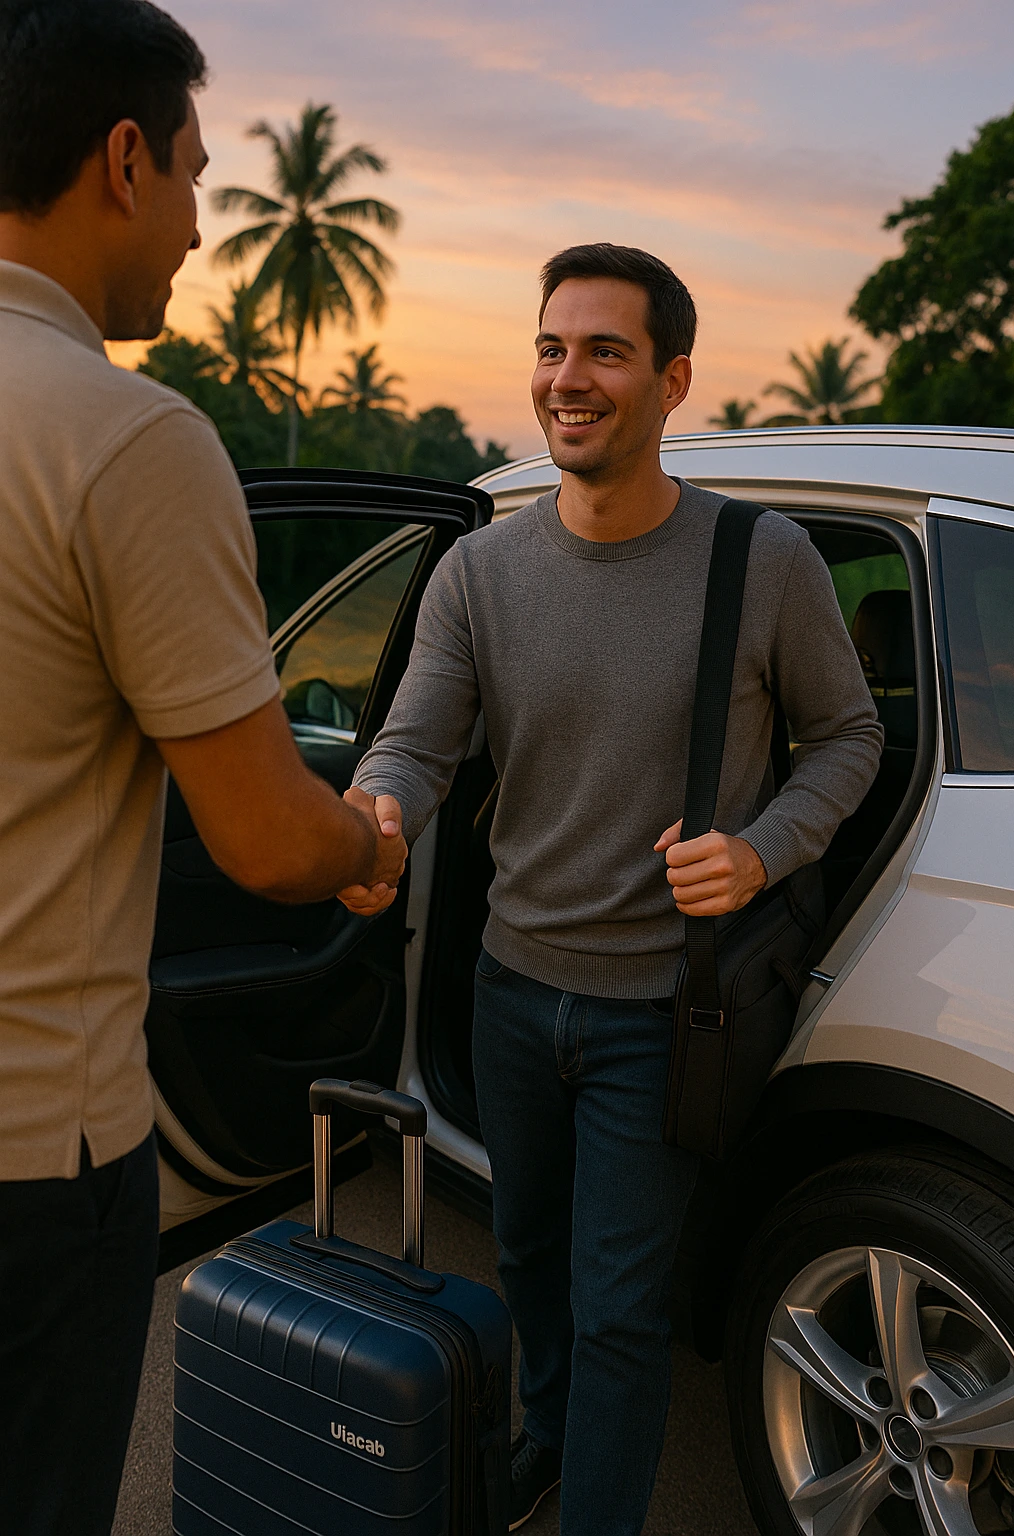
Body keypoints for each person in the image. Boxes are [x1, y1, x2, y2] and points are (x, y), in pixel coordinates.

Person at [342, 242, 883, 1534]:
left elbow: (850, 737)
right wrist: (375, 819)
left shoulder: (762, 559)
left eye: (604, 351)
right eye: (551, 348)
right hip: (511, 990)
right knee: (527, 1256)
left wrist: (762, 848)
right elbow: (415, 745)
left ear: (672, 379)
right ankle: (551, 1438)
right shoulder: (481, 572)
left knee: (621, 1307)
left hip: (668, 1013)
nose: (566, 377)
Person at [0, 4, 406, 1532]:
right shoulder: (123, 438)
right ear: (123, 160)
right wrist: (369, 844)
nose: (190, 225)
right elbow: (267, 842)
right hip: (32, 1159)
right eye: (190, 177)